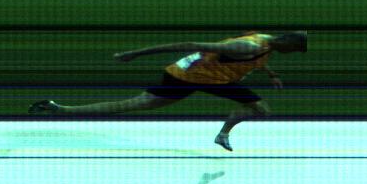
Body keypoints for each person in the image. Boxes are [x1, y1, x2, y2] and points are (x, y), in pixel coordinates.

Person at [29, 31, 309, 151]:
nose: (294, 54)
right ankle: (223, 134)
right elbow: (188, 44)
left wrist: (271, 74)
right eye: (296, 50)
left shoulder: (265, 41)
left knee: (137, 104)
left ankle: (60, 109)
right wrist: (134, 53)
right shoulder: (247, 46)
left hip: (197, 75)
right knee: (260, 108)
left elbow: (256, 61)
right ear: (287, 43)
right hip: (197, 77)